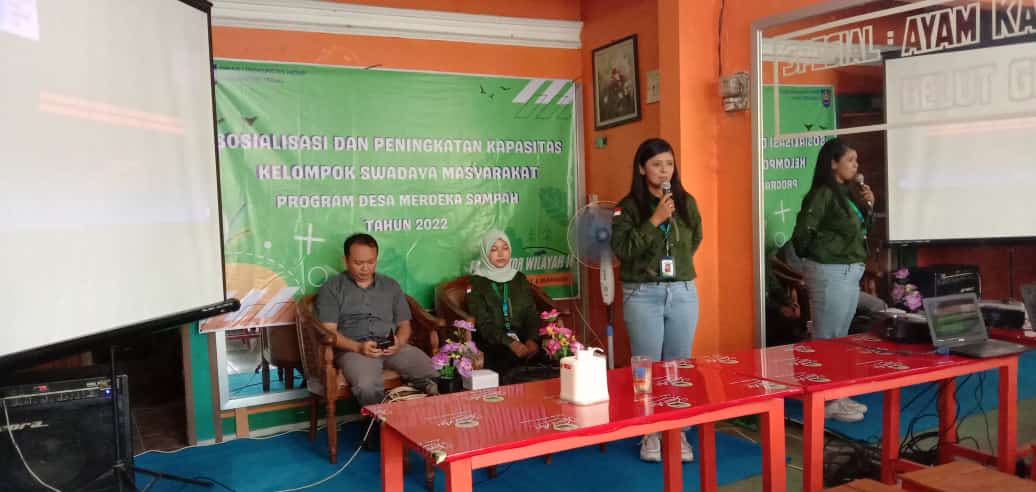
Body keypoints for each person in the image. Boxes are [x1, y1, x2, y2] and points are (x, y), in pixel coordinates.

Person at [611, 137, 702, 463]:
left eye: (669, 164)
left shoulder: (686, 201)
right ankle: (649, 431)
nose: (664, 171)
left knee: (678, 364)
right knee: (646, 366)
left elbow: (695, 239)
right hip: (643, 293)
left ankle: (677, 431)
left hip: (682, 291)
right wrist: (654, 221)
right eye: (656, 164)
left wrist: (675, 266)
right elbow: (623, 250)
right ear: (641, 168)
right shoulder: (627, 207)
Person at [315, 233, 439, 449]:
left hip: (391, 346)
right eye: (358, 263)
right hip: (354, 350)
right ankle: (377, 430)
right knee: (366, 384)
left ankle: (431, 425)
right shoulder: (332, 288)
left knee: (431, 370)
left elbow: (405, 325)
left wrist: (399, 342)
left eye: (370, 262)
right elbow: (329, 332)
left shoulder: (390, 286)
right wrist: (358, 347)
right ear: (345, 260)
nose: (365, 268)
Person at [791, 137, 875, 423]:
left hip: (850, 270)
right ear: (833, 164)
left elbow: (859, 232)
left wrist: (869, 207)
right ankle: (824, 402)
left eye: (856, 160)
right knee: (826, 339)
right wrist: (818, 257)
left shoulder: (849, 194)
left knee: (840, 338)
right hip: (829, 271)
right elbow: (802, 235)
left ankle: (837, 395)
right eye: (850, 160)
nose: (856, 165)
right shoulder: (822, 194)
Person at [467, 229, 549, 384]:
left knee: (546, 358)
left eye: (505, 248)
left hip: (523, 338)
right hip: (494, 342)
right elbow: (484, 325)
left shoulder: (519, 278)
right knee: (509, 363)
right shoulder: (477, 283)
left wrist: (531, 339)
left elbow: (530, 313)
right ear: (485, 253)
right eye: (494, 249)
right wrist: (510, 343)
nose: (500, 254)